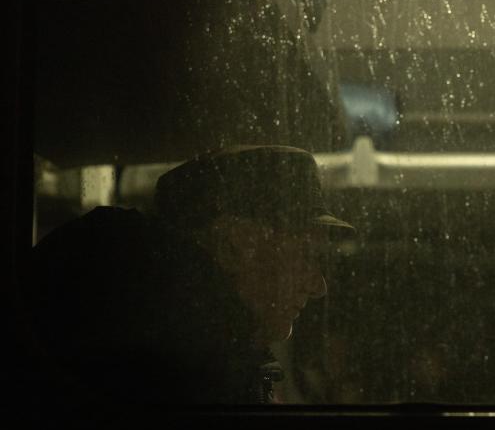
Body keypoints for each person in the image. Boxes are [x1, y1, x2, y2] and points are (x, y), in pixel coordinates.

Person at [26, 145, 353, 405]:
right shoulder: (189, 360)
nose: (318, 286)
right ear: (232, 245)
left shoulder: (175, 329)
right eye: (306, 257)